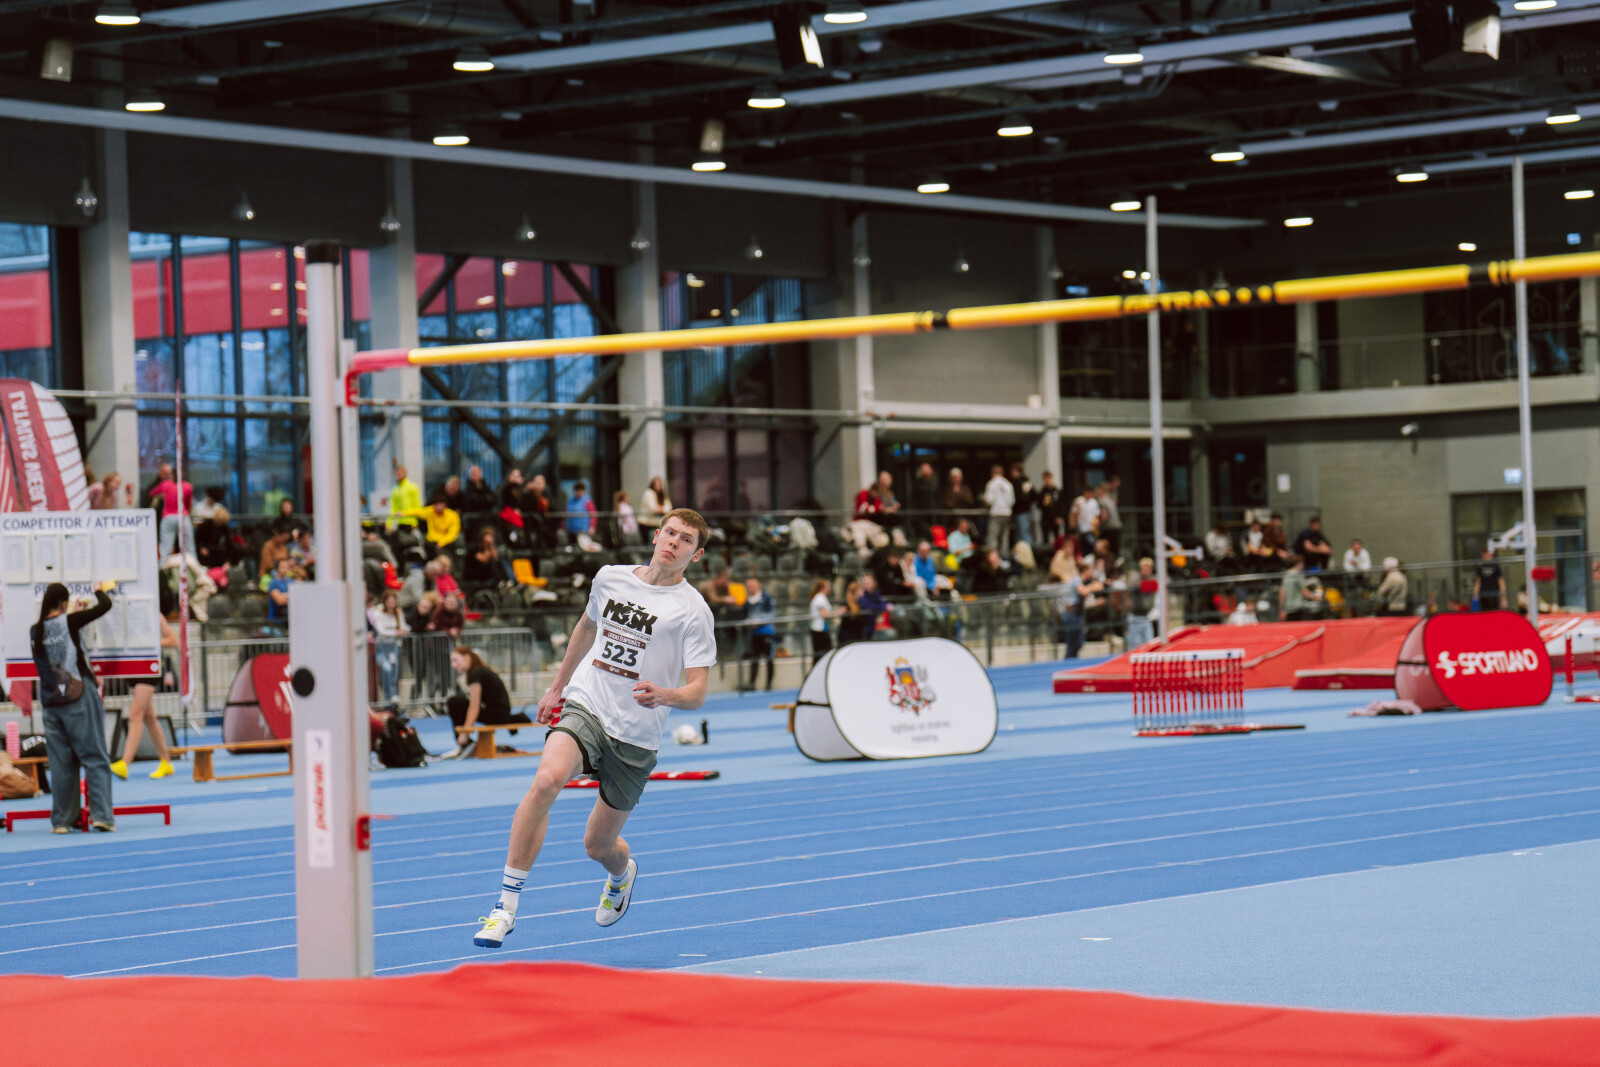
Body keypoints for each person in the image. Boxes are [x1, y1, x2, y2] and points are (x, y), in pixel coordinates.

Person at [471, 510, 715, 948]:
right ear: (656, 535)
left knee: (598, 845)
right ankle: (504, 907)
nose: (674, 543)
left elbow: (697, 691)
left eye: (685, 540)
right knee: (546, 780)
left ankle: (621, 874)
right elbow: (586, 626)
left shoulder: (693, 611)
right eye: (670, 533)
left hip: (636, 733)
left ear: (695, 555)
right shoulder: (610, 577)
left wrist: (665, 694)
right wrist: (557, 688)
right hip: (588, 703)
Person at [31, 582, 117, 832]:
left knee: (61, 764)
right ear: (64, 603)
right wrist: (99, 590)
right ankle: (102, 816)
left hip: (51, 702)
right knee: (94, 756)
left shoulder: (35, 631)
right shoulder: (70, 622)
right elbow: (105, 606)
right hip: (77, 696)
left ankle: (62, 821)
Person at [112, 613, 179, 781]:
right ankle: (166, 762)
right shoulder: (125, 612)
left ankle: (125, 763)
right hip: (133, 666)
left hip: (150, 667)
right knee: (149, 717)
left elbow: (173, 640)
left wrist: (149, 644)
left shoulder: (154, 613)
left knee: (136, 714)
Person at [444, 646, 533, 759]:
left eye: (455, 660)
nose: (453, 665)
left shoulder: (475, 673)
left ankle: (465, 743)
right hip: (500, 713)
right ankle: (466, 744)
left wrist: (465, 733)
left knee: (453, 702)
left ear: (466, 657)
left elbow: (474, 706)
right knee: (458, 702)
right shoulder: (479, 671)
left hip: (498, 715)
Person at [368, 590, 409, 704]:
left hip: (394, 646)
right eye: (389, 601)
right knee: (387, 669)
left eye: (393, 601)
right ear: (385, 602)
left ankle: (394, 697)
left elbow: (404, 627)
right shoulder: (378, 613)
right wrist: (396, 632)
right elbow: (381, 631)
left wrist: (401, 631)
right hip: (382, 646)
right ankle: (388, 698)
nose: (391, 603)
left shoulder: (398, 613)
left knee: (394, 673)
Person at [1054, 562, 1100, 659]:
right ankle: (1068, 661)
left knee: (1079, 641)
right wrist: (1093, 586)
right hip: (1072, 613)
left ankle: (1072, 658)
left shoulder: (1082, 582)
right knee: (1072, 642)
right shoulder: (1077, 580)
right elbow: (1083, 591)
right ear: (1085, 571)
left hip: (1078, 613)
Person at [149, 463, 195, 558]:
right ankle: (191, 564)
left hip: (168, 517)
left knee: (165, 548)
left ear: (173, 474)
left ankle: (162, 566)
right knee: (189, 546)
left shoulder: (165, 484)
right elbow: (188, 505)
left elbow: (152, 493)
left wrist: (162, 496)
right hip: (183, 516)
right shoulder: (188, 486)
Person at [742, 576, 777, 690]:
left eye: (752, 586)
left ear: (758, 585)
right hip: (754, 633)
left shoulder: (767, 599)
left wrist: (759, 622)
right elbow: (746, 615)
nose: (750, 588)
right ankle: (752, 683)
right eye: (748, 586)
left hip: (766, 632)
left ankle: (769, 684)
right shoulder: (748, 600)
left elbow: (771, 614)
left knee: (769, 658)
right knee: (754, 659)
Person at [1126, 557, 1158, 648]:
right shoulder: (1135, 577)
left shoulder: (1154, 578)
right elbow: (1135, 586)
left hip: (1147, 617)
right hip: (1135, 617)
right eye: (1144, 568)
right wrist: (1147, 585)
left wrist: (1148, 585)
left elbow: (1159, 584)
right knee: (1136, 646)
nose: (1146, 571)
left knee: (1150, 645)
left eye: (1148, 569)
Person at [983, 465, 1014, 550]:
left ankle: (993, 556)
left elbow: (989, 500)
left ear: (992, 473)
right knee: (1005, 538)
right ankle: (1004, 555)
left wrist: (984, 499)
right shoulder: (1008, 484)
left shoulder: (991, 484)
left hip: (995, 513)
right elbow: (1012, 501)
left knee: (993, 537)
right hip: (1007, 513)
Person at [1009, 463, 1037, 549]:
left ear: (1018, 471)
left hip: (1022, 511)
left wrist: (1024, 502)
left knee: (1024, 532)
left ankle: (1028, 551)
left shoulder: (1022, 482)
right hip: (1021, 511)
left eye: (1013, 471)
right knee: (1019, 533)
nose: (1011, 473)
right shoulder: (1024, 482)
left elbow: (1034, 495)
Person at [908, 462, 940, 538]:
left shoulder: (935, 483)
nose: (925, 473)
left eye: (927, 470)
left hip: (933, 514)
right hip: (920, 515)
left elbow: (938, 499)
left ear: (931, 471)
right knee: (925, 534)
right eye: (923, 470)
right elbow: (913, 500)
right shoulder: (917, 484)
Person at [387, 464, 423, 530]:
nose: (398, 475)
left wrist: (415, 523)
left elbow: (418, 508)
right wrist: (389, 525)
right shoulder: (395, 489)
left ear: (405, 473)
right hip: (399, 523)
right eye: (397, 473)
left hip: (411, 523)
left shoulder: (413, 487)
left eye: (400, 473)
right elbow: (392, 508)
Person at [808, 578, 836, 659]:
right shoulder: (820, 598)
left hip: (822, 629)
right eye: (828, 586)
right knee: (822, 654)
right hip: (819, 629)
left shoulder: (821, 597)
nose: (829, 589)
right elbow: (824, 614)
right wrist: (838, 613)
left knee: (823, 653)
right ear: (823, 587)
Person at [1068, 485, 1100, 555]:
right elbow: (1073, 514)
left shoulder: (1094, 502)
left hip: (1091, 527)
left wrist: (1096, 528)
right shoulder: (1078, 501)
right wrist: (1072, 527)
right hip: (1081, 527)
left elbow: (1096, 515)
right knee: (1082, 544)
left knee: (1092, 544)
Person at [1279, 555, 1313, 620]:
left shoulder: (1285, 575)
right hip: (1297, 608)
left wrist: (1281, 609)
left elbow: (1282, 593)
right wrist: (1317, 597)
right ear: (1298, 564)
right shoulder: (1298, 575)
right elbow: (1306, 593)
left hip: (1288, 609)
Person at [1098, 476, 1124, 557]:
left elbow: (1104, 517)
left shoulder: (1102, 501)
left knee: (1107, 551)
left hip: (1108, 528)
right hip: (1117, 526)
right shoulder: (1110, 500)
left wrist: (1097, 524)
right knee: (1116, 551)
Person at [266, 557, 294, 628]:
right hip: (277, 619)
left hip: (290, 617)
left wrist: (285, 596)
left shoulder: (291, 581)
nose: (285, 569)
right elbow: (280, 600)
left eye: (287, 567)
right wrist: (290, 596)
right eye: (283, 567)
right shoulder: (274, 583)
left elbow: (298, 596)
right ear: (277, 568)